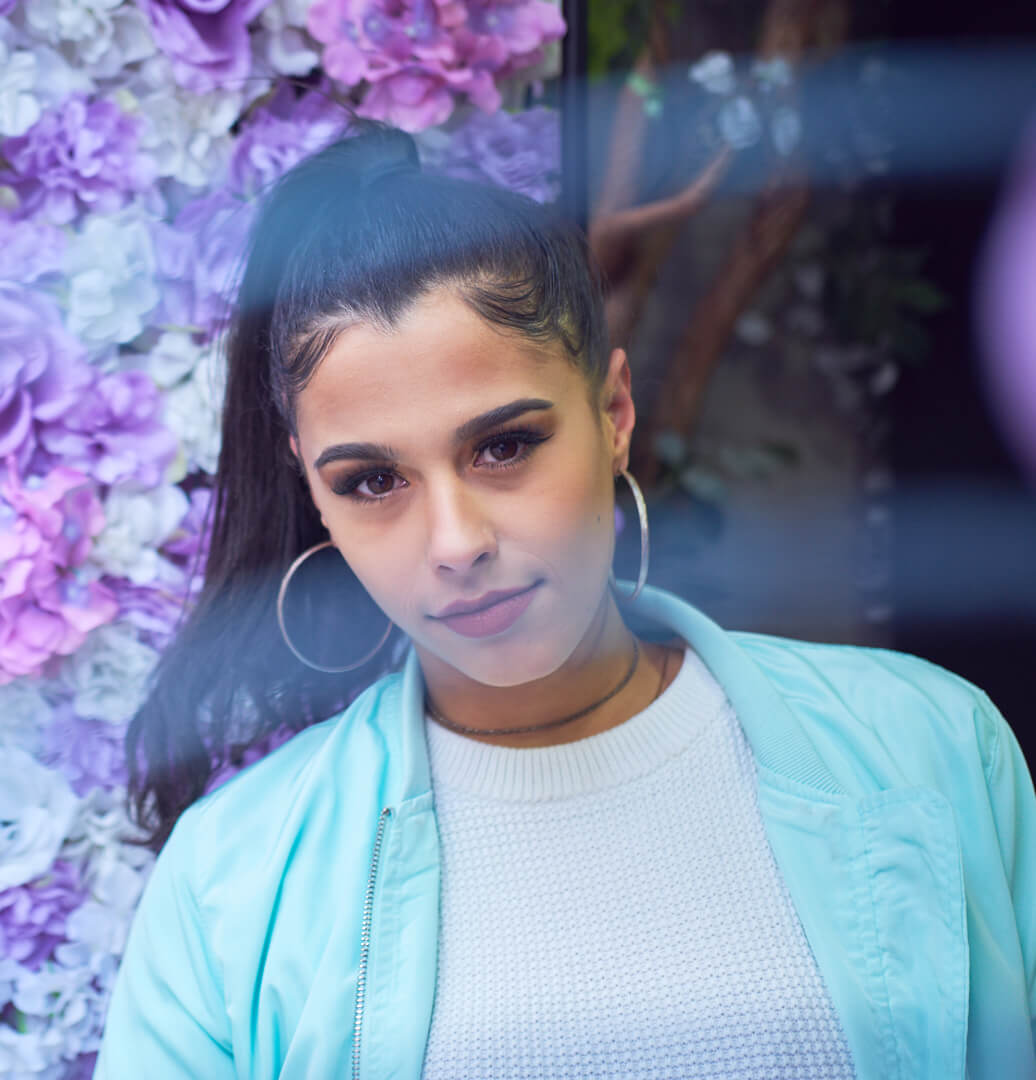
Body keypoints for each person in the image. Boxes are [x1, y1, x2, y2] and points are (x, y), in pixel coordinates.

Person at [94, 119, 1036, 1079]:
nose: (457, 544)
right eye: (373, 482)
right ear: (314, 496)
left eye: (503, 446)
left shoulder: (929, 745)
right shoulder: (231, 881)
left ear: (613, 413)